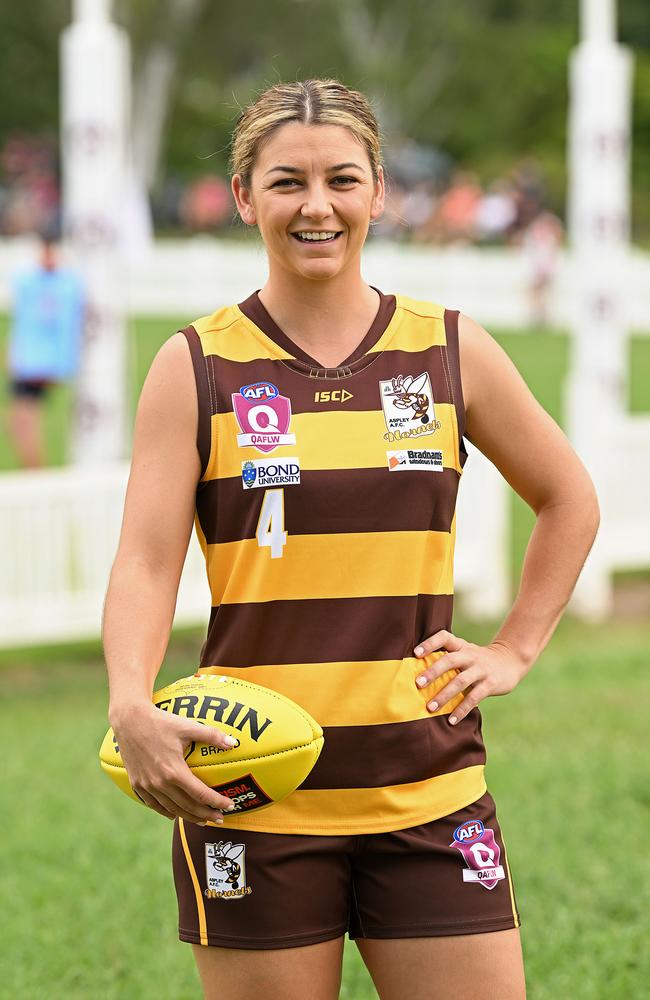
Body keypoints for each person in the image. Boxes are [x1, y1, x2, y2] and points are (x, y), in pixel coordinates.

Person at [103, 79, 599, 1000]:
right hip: (249, 797)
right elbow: (144, 560)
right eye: (287, 181)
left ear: (380, 192)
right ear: (245, 197)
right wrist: (130, 701)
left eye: (342, 179)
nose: (317, 205)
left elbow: (569, 498)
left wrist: (516, 646)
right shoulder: (196, 366)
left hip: (429, 792)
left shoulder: (448, 349)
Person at [6, 235, 84, 467]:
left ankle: (35, 471)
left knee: (23, 421)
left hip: (38, 364)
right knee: (20, 422)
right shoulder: (40, 282)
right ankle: (33, 469)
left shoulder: (62, 285)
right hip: (29, 362)